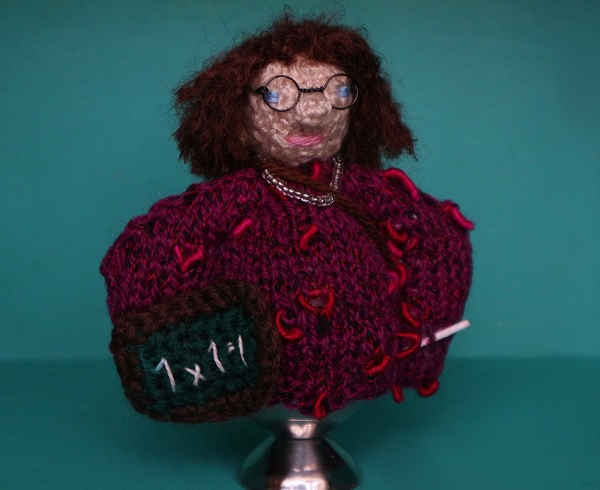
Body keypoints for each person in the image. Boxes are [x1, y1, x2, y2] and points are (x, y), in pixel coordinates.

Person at [101, 14, 473, 423]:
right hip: (262, 382)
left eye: (338, 91)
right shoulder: (228, 205)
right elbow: (145, 260)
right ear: (238, 113)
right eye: (279, 95)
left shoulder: (370, 198)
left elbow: (438, 243)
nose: (313, 113)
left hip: (367, 370)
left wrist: (419, 349)